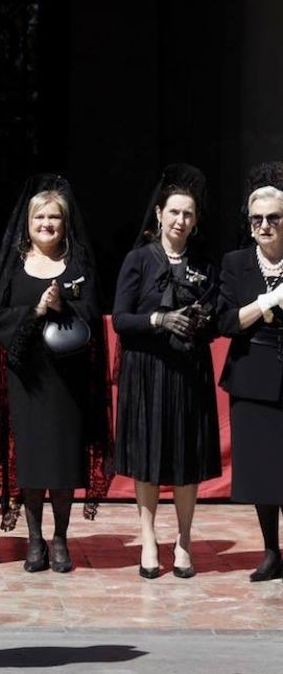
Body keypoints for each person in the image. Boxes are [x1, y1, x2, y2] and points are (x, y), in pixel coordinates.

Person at [0, 174, 110, 576]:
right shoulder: (14, 265)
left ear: (65, 222)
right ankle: (34, 538)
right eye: (40, 217)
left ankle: (60, 537)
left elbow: (93, 313)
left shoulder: (77, 265)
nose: (47, 224)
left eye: (54, 217)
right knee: (33, 463)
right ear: (28, 221)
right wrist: (36, 311)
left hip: (66, 380)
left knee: (62, 463)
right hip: (27, 379)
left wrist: (62, 308)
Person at [112, 164, 220, 579]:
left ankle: (185, 540)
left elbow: (217, 314)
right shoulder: (138, 259)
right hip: (148, 371)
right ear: (159, 214)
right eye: (174, 212)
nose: (180, 220)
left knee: (186, 458)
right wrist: (159, 319)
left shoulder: (205, 263)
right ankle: (149, 537)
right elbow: (121, 318)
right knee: (149, 456)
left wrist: (200, 320)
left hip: (189, 372)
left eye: (188, 214)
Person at [216, 169, 283, 583]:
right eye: (256, 219)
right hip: (253, 375)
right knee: (262, 471)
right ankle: (271, 551)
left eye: (273, 218)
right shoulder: (236, 263)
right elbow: (226, 321)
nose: (264, 226)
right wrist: (268, 301)